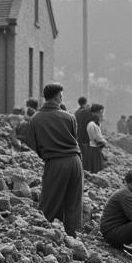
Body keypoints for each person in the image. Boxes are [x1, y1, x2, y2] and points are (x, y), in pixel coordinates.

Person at [18, 83, 84, 236]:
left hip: (55, 162)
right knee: (73, 198)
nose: (62, 98)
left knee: (50, 197)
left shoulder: (35, 119)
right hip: (74, 160)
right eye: (61, 95)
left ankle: (43, 228)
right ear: (57, 97)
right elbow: (75, 138)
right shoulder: (69, 117)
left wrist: (45, 150)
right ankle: (71, 233)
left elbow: (31, 142)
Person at [85, 104, 108, 173]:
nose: (102, 114)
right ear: (95, 113)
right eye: (101, 112)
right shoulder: (92, 124)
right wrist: (105, 141)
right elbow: (98, 139)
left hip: (95, 148)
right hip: (94, 149)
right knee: (96, 169)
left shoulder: (94, 124)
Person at [75, 97, 92, 167]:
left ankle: (82, 167)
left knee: (81, 152)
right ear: (86, 102)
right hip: (86, 135)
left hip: (78, 135)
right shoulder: (86, 112)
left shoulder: (76, 112)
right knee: (87, 153)